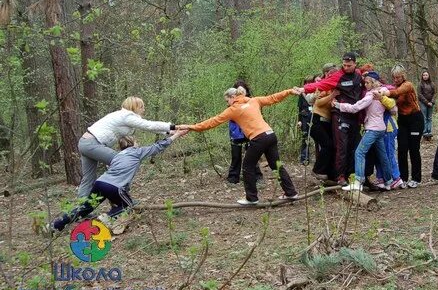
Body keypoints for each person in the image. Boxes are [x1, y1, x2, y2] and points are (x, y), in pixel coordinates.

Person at [178, 86, 302, 205]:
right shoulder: (254, 100)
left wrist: (191, 127)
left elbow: (212, 122)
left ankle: (252, 198)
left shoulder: (234, 109)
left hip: (259, 138)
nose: (227, 104)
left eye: (227, 101)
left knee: (248, 166)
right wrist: (289, 91)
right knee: (276, 165)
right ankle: (291, 192)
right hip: (270, 135)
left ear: (232, 97)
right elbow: (273, 98)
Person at [48, 129, 189, 233]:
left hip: (100, 183)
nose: (138, 144)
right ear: (133, 144)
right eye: (137, 142)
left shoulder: (117, 156)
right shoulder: (137, 152)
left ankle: (56, 226)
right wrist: (176, 135)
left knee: (84, 208)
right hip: (114, 187)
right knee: (130, 206)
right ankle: (105, 218)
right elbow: (157, 147)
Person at [77, 97, 175, 199]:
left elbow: (148, 127)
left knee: (88, 178)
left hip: (84, 143)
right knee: (124, 162)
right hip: (92, 144)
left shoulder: (123, 116)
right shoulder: (127, 116)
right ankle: (122, 199)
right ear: (134, 107)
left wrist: (169, 131)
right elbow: (149, 125)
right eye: (142, 107)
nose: (144, 109)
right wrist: (173, 127)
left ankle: (79, 210)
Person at [300, 52, 364, 186]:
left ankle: (349, 174)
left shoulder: (358, 75)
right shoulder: (336, 77)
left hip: (352, 116)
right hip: (334, 116)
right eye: (344, 65)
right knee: (338, 146)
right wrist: (303, 89)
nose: (346, 67)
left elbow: (371, 80)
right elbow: (320, 89)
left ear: (355, 64)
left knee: (351, 147)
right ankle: (337, 175)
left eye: (349, 65)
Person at [333, 72, 394, 192]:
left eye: (367, 82)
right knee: (383, 156)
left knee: (359, 152)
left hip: (373, 129)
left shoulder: (371, 95)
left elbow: (355, 107)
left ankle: (358, 182)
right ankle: (388, 182)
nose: (365, 85)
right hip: (381, 128)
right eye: (365, 82)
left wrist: (338, 105)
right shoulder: (382, 91)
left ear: (373, 82)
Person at [379, 65, 423, 188]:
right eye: (394, 77)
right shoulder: (394, 87)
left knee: (414, 149)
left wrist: (385, 92)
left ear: (403, 75)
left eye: (398, 77)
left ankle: (416, 178)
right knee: (402, 149)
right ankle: (402, 178)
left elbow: (397, 92)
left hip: (415, 118)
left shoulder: (407, 85)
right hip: (403, 120)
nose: (396, 79)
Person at [304, 64, 339, 182]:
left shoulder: (333, 84)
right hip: (316, 119)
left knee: (332, 146)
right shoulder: (324, 85)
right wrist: (332, 96)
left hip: (327, 121)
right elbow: (318, 103)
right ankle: (317, 170)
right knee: (327, 145)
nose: (331, 75)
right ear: (326, 74)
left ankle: (330, 173)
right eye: (329, 73)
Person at [227, 80, 263, 184]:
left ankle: (257, 175)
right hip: (235, 132)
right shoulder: (232, 102)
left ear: (246, 91)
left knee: (252, 155)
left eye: (243, 90)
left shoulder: (251, 101)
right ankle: (233, 177)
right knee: (236, 155)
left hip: (249, 131)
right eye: (239, 91)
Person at [298, 76, 315, 164]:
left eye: (309, 83)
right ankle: (304, 159)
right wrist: (299, 120)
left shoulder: (316, 92)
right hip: (304, 117)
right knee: (305, 137)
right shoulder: (302, 94)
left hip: (314, 116)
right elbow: (300, 108)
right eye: (306, 83)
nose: (308, 85)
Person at [418, 70, 436, 139]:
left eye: (426, 75)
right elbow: (419, 94)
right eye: (424, 75)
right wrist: (426, 102)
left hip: (431, 103)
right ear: (422, 76)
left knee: (429, 118)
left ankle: (429, 131)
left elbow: (435, 93)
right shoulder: (420, 84)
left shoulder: (432, 84)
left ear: (429, 76)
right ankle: (425, 132)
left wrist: (432, 102)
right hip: (423, 103)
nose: (425, 76)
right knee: (424, 117)